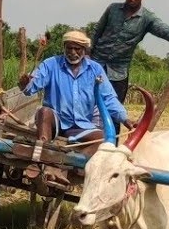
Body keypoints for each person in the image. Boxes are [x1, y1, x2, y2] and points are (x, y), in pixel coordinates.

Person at [19, 29, 131, 162]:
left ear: (84, 49)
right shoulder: (51, 64)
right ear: (64, 48)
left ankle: (68, 165)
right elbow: (32, 86)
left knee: (103, 140)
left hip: (81, 126)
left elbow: (109, 98)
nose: (72, 52)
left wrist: (126, 120)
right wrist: (26, 84)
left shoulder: (95, 70)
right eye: (69, 48)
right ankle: (42, 154)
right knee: (44, 112)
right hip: (55, 124)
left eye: (77, 49)